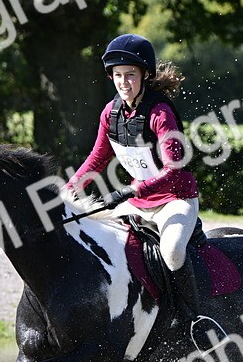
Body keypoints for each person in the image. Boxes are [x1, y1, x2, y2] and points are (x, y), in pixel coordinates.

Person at [64, 33, 200, 273]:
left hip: (175, 200)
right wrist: (68, 190)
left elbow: (173, 169)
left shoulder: (160, 114)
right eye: (118, 75)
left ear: (145, 75)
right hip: (137, 202)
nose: (123, 82)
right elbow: (97, 159)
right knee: (107, 246)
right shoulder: (110, 113)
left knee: (173, 253)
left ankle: (190, 310)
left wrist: (133, 189)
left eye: (130, 75)